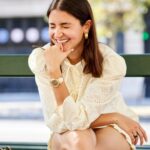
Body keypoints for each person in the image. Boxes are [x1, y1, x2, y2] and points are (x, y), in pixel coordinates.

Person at [28, 0, 148, 149]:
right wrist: (114, 117)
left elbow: (77, 120)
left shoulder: (109, 62)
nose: (57, 33)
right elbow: (54, 120)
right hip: (66, 132)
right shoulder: (43, 60)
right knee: (79, 140)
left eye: (65, 26)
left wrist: (111, 121)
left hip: (109, 129)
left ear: (86, 26)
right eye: (52, 26)